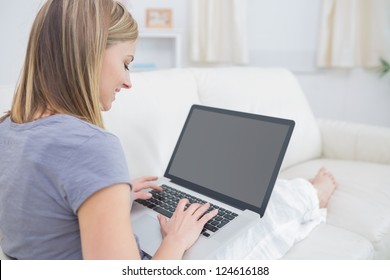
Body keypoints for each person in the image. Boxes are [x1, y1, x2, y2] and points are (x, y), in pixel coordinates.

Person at [0, 0, 336, 260]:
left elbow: (41, 209)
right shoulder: (92, 146)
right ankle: (311, 195)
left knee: (248, 200)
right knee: (272, 209)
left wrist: (106, 195)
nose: (128, 81)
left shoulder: (9, 126)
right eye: (127, 62)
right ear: (88, 55)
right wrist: (175, 242)